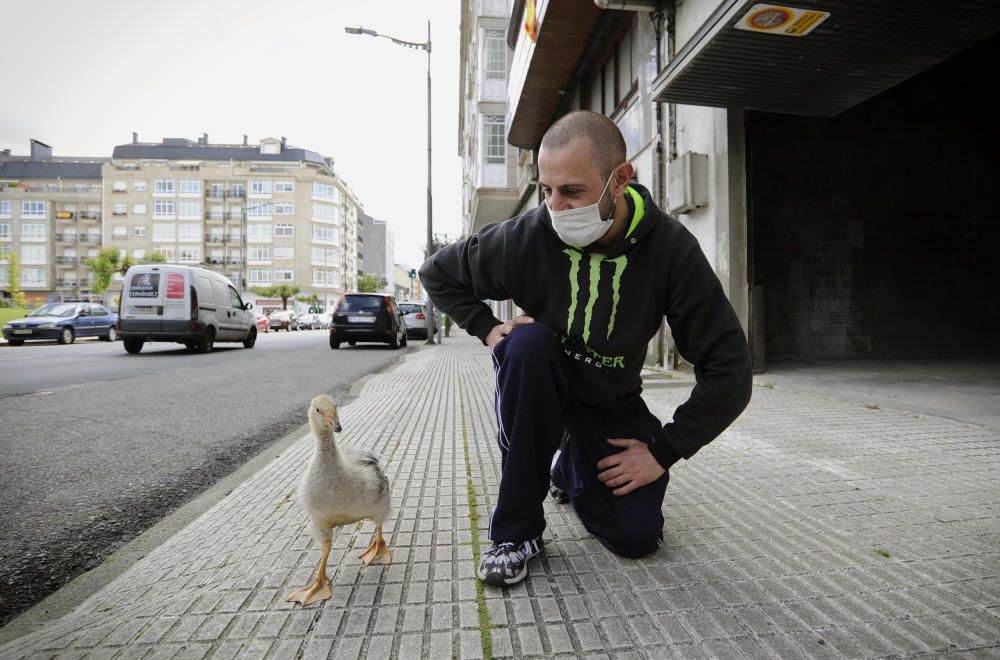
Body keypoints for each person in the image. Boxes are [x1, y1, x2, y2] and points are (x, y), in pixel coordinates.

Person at [419, 111, 752, 586]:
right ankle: (517, 533)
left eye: (572, 191)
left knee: (637, 537)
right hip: (539, 392)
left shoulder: (670, 251)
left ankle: (569, 464)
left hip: (608, 401)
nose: (555, 206)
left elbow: (730, 369)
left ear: (619, 181)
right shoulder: (529, 235)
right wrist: (489, 328)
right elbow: (437, 273)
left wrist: (663, 450)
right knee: (525, 344)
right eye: (546, 189)